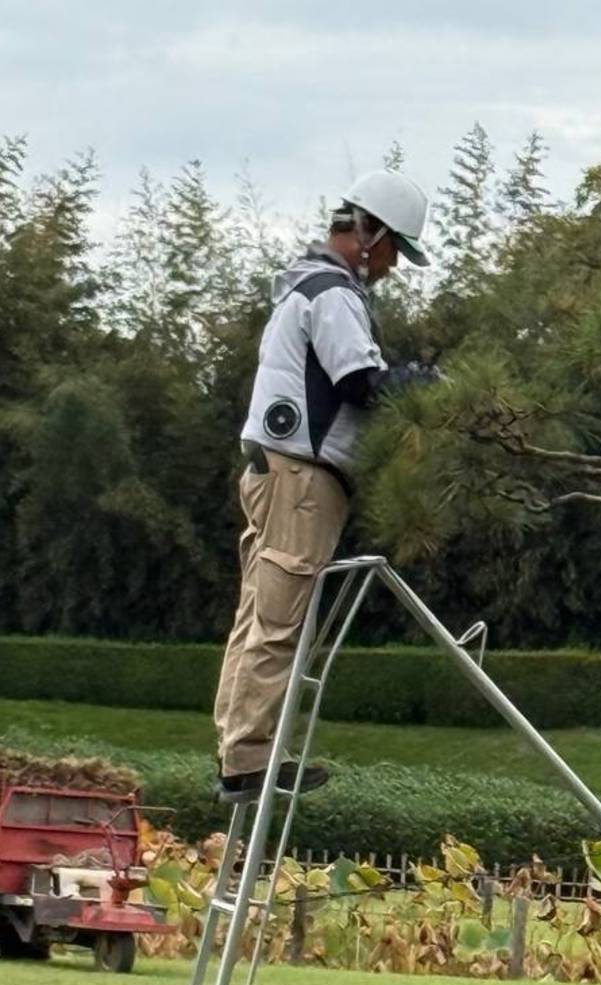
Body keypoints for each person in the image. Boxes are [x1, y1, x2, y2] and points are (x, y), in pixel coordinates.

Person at [214, 169, 431, 802]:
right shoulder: (333, 293)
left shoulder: (300, 285)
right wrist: (421, 384)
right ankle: (248, 763)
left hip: (272, 470)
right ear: (372, 234)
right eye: (395, 252)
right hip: (302, 478)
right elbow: (360, 383)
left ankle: (237, 751)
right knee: (278, 623)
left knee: (255, 617)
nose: (392, 267)